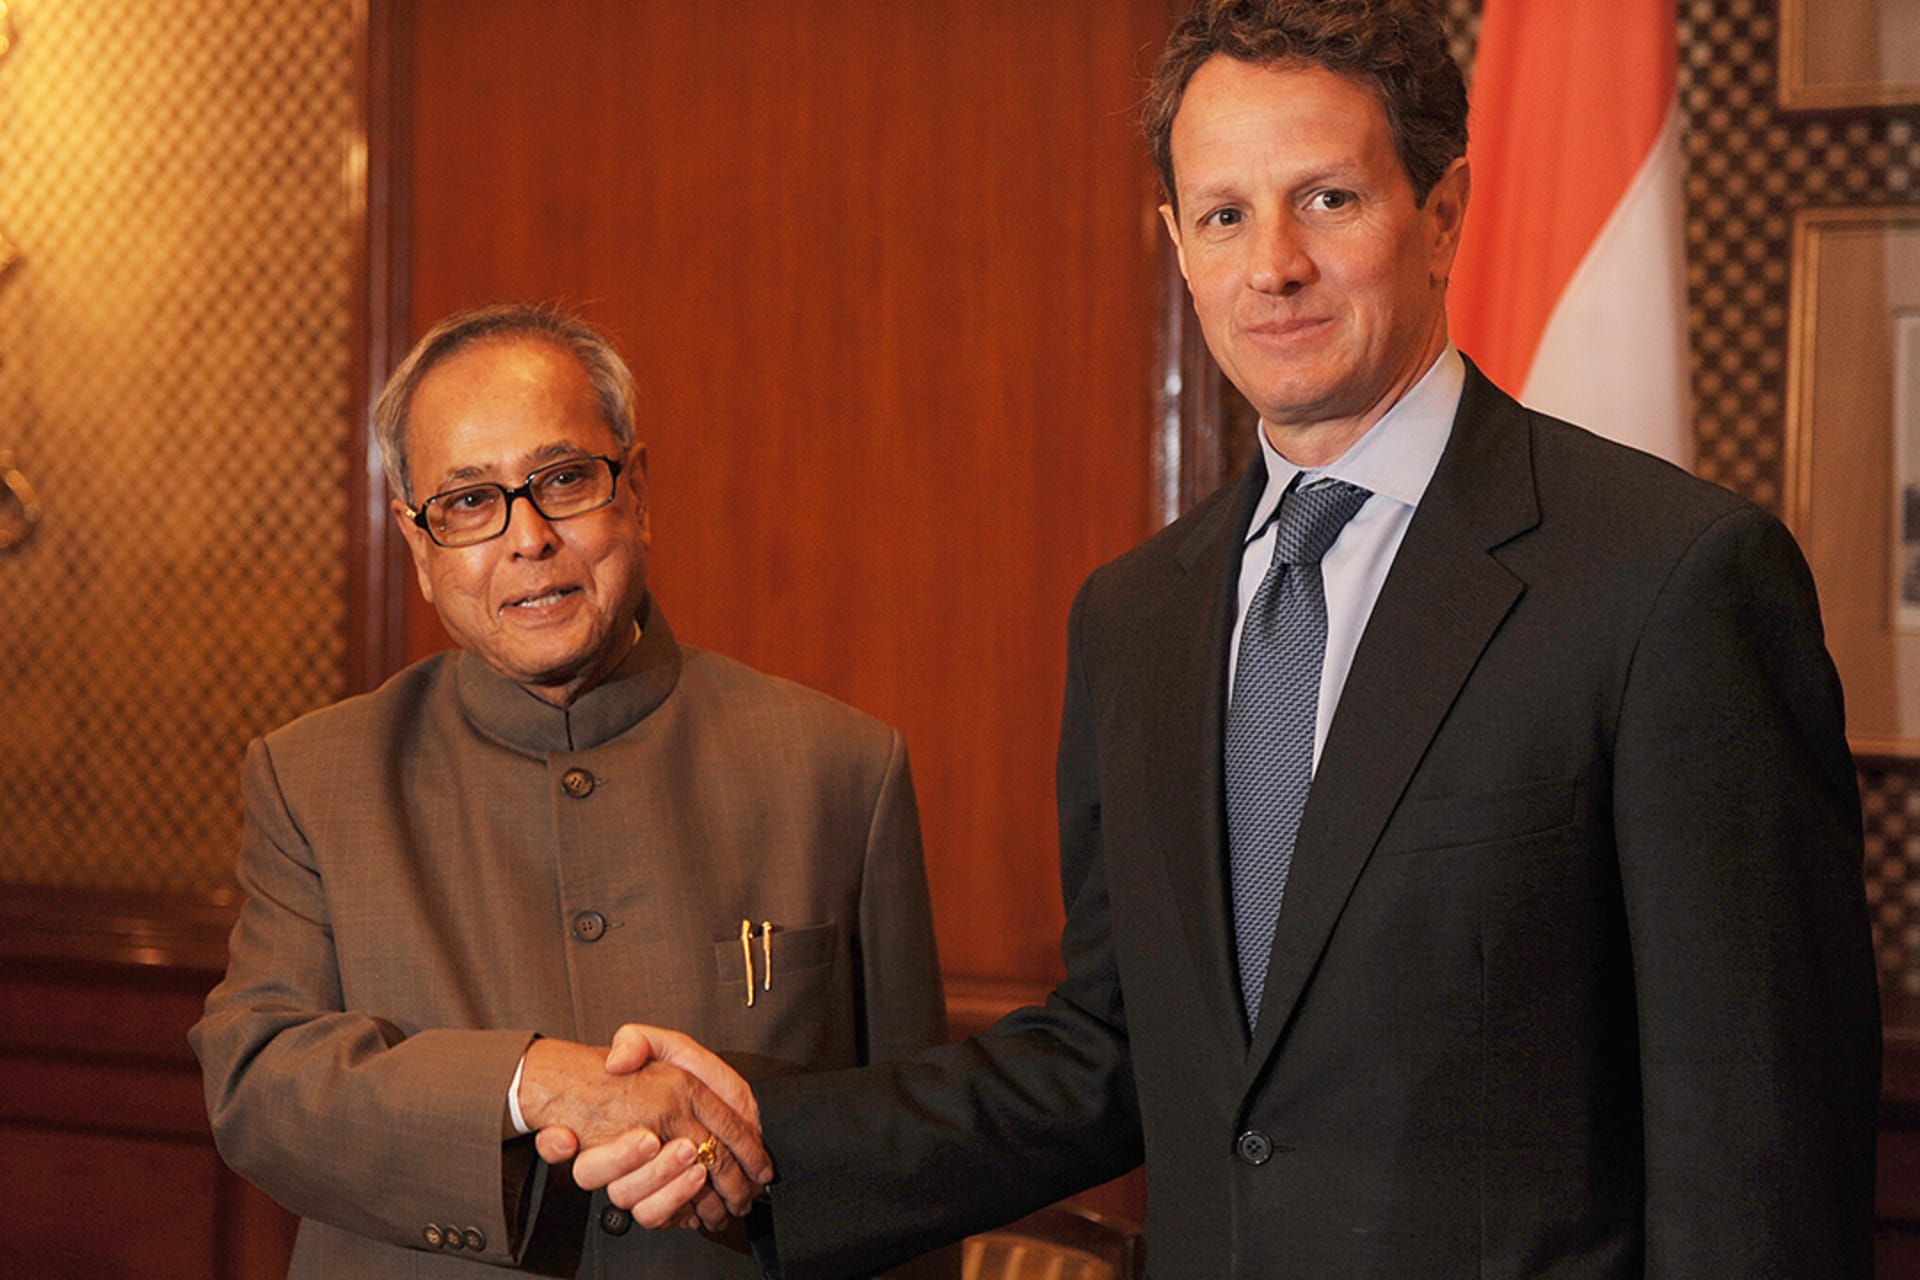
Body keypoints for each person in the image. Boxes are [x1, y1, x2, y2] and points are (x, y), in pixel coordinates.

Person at [548, 0, 1885, 1276]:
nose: (1274, 265)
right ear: (1177, 242)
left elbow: (1755, 1139)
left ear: (1445, 216)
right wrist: (757, 1132)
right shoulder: (1137, 619)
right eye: (1225, 214)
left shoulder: (1669, 579)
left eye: (1330, 199)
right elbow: (1118, 1050)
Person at [189, 302, 950, 1278]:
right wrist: (528, 1081)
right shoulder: (314, 775)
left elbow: (920, 1163)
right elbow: (261, 1081)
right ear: (418, 545)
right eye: (468, 501)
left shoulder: (841, 766)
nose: (528, 537)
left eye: (563, 480)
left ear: (634, 488)